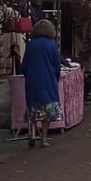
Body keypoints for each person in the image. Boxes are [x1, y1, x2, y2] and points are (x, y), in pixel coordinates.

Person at [21, 18, 62, 148]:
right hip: (48, 81)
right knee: (47, 112)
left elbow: (24, 65)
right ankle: (44, 138)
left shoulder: (30, 45)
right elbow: (57, 66)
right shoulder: (52, 45)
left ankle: (32, 132)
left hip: (33, 81)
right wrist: (55, 78)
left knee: (33, 108)